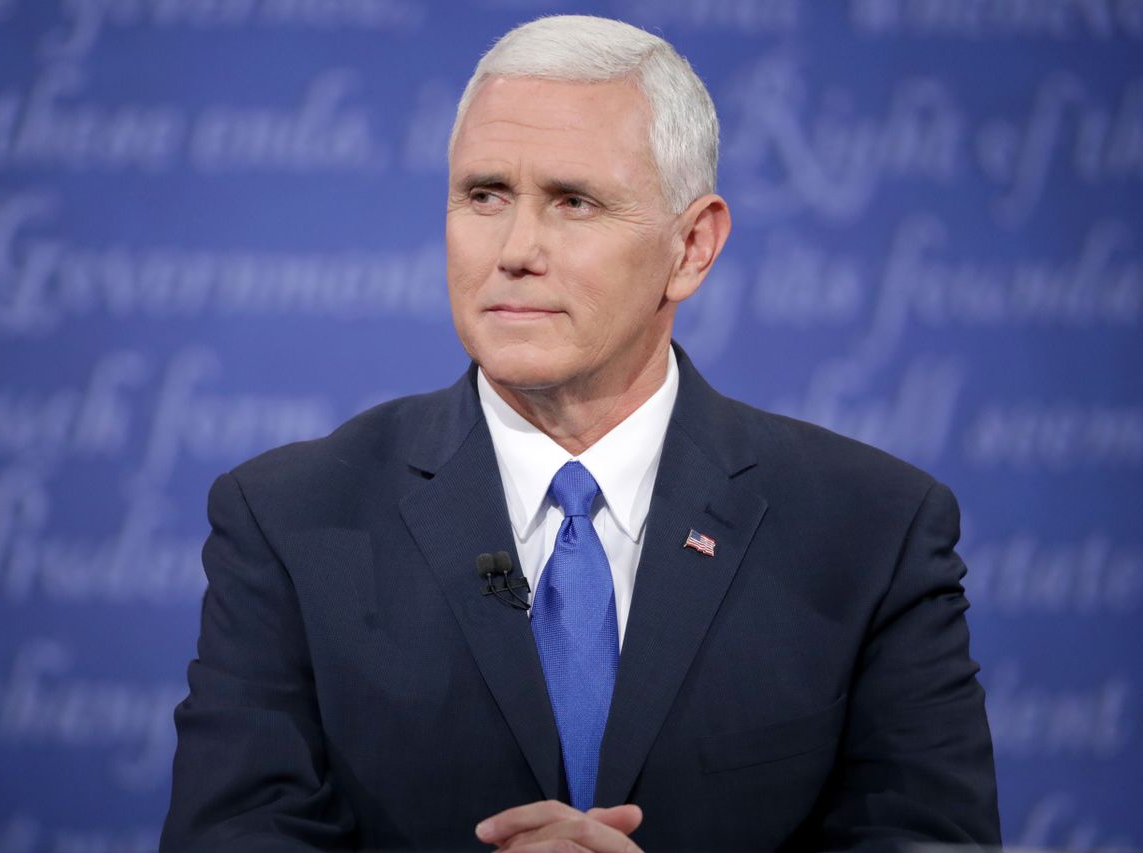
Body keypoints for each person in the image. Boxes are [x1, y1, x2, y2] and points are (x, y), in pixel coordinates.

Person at [161, 15, 1000, 852]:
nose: (516, 248)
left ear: (692, 247)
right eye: (485, 194)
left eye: (574, 202)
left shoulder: (871, 532)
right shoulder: (290, 520)